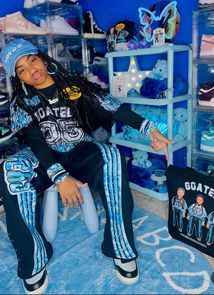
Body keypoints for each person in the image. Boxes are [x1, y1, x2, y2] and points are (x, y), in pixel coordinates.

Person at [0, 38, 173, 294]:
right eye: (21, 69)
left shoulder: (75, 85)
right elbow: (37, 143)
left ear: (42, 58)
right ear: (18, 78)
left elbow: (112, 107)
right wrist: (60, 178)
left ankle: (120, 246)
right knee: (11, 169)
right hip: (44, 158)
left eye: (31, 60)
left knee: (111, 157)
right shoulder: (22, 104)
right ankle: (33, 259)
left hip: (79, 150)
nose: (30, 70)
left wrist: (149, 129)